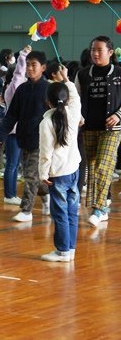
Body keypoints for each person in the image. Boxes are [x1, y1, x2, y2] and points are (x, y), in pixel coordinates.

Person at [0, 50, 50, 221]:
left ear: (43, 67)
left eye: (33, 65)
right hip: (23, 139)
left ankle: (27, 210)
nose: (29, 68)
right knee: (35, 175)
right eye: (27, 64)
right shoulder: (22, 89)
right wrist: (1, 135)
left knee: (30, 175)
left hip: (42, 141)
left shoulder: (49, 89)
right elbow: (12, 115)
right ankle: (46, 196)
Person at [76, 36, 121, 227]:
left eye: (99, 50)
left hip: (112, 128)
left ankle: (100, 208)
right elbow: (75, 99)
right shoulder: (83, 74)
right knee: (93, 168)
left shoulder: (119, 72)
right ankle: (100, 207)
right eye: (93, 49)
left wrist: (119, 115)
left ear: (110, 52)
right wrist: (77, 115)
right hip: (89, 127)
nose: (95, 53)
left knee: (104, 164)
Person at [39, 69, 81, 261]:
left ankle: (63, 250)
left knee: (60, 213)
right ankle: (70, 248)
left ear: (48, 101)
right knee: (72, 211)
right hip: (74, 170)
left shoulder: (47, 122)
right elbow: (75, 96)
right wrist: (66, 79)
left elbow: (45, 153)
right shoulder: (73, 112)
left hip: (58, 174)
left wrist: (43, 175)